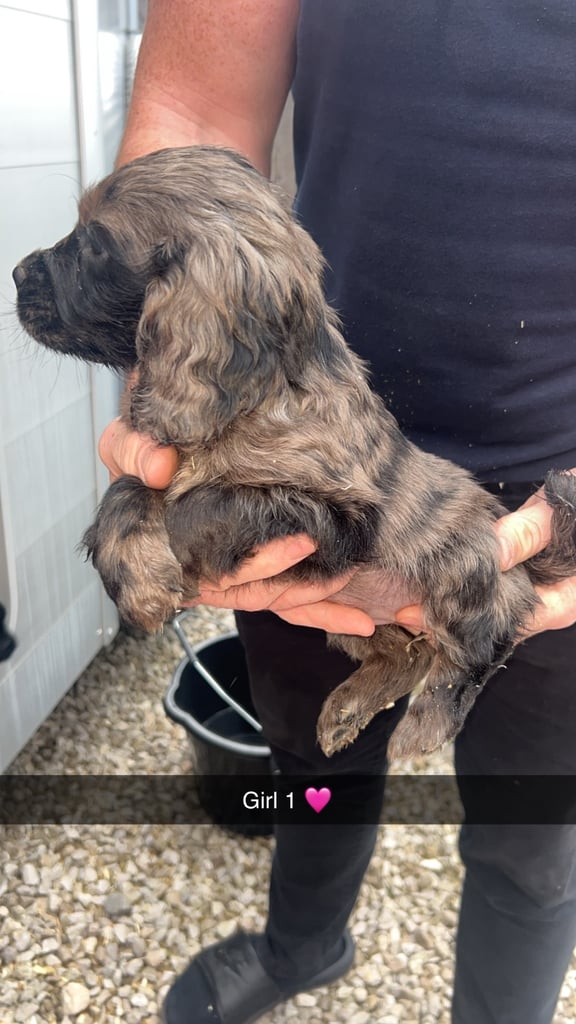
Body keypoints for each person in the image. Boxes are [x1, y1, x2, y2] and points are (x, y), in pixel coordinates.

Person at [100, 3, 576, 1022]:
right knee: (313, 759)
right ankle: (305, 943)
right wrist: (170, 380)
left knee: (535, 846)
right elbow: (197, 105)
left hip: (557, 518)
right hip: (302, 468)